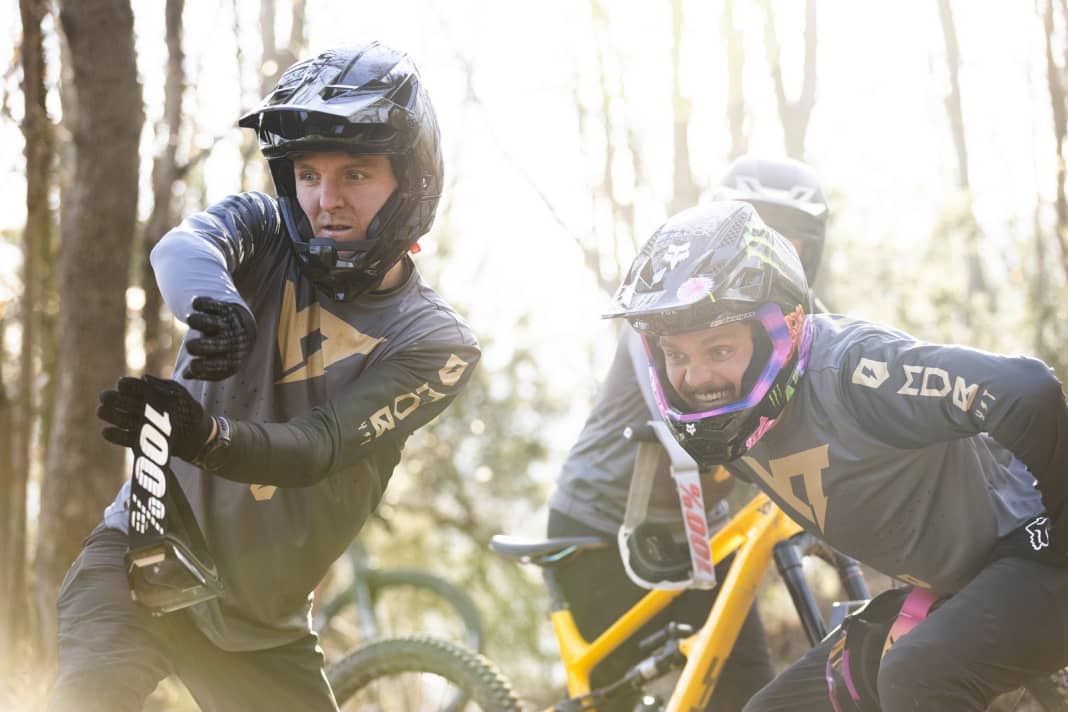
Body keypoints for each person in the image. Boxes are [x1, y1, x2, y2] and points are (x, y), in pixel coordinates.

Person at [48, 42, 480, 711]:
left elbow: (319, 446)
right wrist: (216, 307)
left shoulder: (435, 343)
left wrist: (208, 436)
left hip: (262, 631)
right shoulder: (264, 227)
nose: (324, 201)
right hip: (139, 559)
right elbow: (182, 248)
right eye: (307, 174)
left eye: (355, 175)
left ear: (410, 182)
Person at [607, 199, 1068, 711]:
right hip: (959, 588)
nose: (696, 379)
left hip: (1031, 553)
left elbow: (1026, 390)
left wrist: (1055, 544)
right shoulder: (729, 423)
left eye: (719, 350)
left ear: (787, 327)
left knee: (916, 676)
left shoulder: (853, 372)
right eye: (675, 355)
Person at [546, 156, 830, 710]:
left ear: (810, 252)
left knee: (743, 689)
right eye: (757, 232)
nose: (770, 252)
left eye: (786, 239)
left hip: (705, 534)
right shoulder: (671, 304)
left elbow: (852, 371)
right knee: (612, 702)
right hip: (603, 530)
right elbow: (701, 421)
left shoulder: (801, 316)